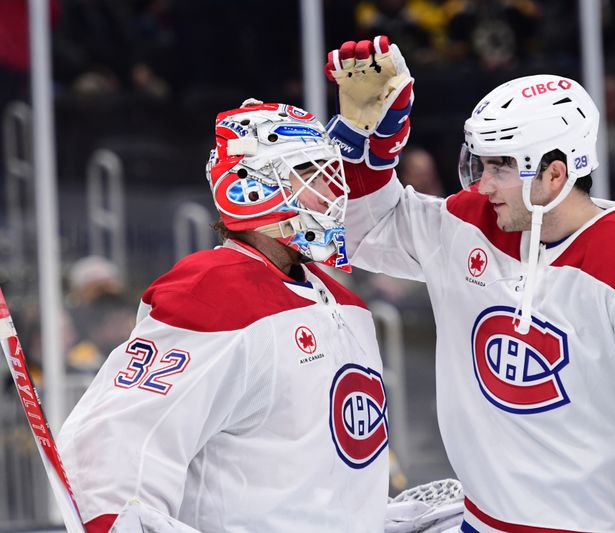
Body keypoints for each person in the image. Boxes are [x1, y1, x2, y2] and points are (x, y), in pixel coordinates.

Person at [325, 36, 615, 532]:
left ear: (556, 173)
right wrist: (365, 151)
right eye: (480, 164)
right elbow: (360, 234)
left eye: (501, 167)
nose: (482, 185)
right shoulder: (470, 223)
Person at [57, 102, 389, 532]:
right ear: (254, 188)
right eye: (311, 175)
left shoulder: (347, 305)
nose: (332, 193)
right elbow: (112, 444)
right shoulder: (214, 295)